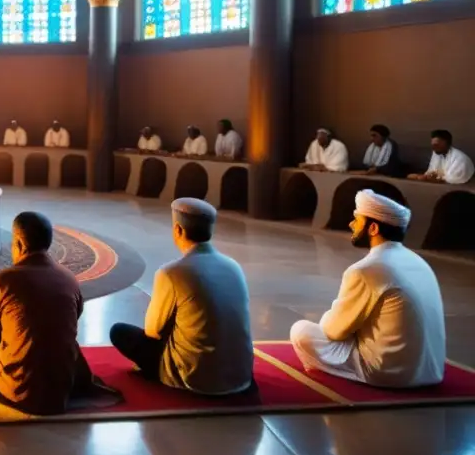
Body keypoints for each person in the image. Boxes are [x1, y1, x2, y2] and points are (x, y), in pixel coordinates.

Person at [289, 190, 445, 388]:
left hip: (391, 373)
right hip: (431, 371)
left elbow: (333, 330)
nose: (351, 225)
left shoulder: (366, 270)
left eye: (357, 219)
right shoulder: (420, 262)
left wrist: (335, 319)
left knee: (301, 331)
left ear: (372, 228)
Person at [0, 212, 109, 415]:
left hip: (20, 390)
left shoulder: (2, 282)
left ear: (19, 245)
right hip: (62, 388)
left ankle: (2, 387)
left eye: (13, 244)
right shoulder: (69, 279)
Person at [110, 198, 254, 396]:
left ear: (178, 229)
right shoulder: (234, 266)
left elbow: (153, 332)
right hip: (240, 376)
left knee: (119, 332)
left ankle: (162, 373)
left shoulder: (172, 273)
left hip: (195, 377)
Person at [408, 129, 474, 185]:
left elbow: (455, 179)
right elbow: (432, 171)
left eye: (437, 144)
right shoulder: (437, 153)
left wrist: (433, 178)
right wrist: (425, 176)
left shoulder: (460, 159)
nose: (434, 148)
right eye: (433, 145)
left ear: (447, 143)